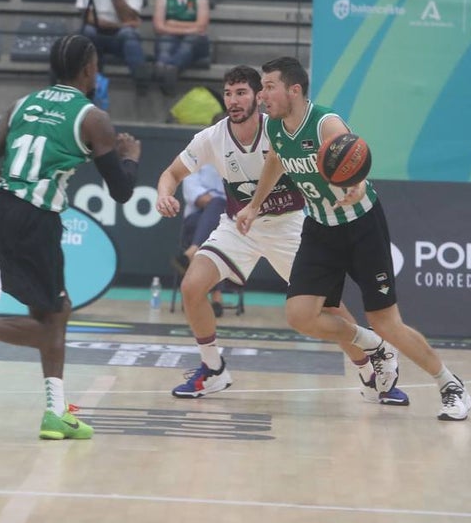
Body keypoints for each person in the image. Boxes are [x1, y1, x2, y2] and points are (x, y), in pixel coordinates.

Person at [233, 57, 471, 421]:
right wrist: (253, 206)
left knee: (388, 321)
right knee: (300, 315)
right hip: (319, 229)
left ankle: (450, 384)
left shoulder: (325, 121)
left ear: (294, 90)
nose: (262, 95)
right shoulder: (277, 129)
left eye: (269, 86)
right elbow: (276, 161)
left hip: (361, 225)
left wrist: (357, 186)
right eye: (262, 87)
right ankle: (373, 347)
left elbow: (353, 158)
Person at [155, 66, 408, 405]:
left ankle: (371, 373)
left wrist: (354, 182)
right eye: (228, 93)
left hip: (289, 224)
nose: (233, 100)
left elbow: (335, 151)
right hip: (239, 226)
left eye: (241, 92)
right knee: (191, 286)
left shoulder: (276, 128)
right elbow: (171, 173)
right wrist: (164, 194)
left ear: (259, 96)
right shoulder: (211, 137)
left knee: (330, 310)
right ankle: (213, 369)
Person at [0, 34, 142, 441]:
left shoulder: (22, 104)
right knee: (53, 320)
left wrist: (16, 193)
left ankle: (55, 412)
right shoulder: (92, 118)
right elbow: (120, 191)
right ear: (88, 69)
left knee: (53, 313)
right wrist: (130, 158)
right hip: (35, 219)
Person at [76, 0, 149, 94]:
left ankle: (142, 84)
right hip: (96, 33)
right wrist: (119, 25)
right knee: (87, 32)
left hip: (119, 38)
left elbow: (129, 19)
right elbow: (87, 17)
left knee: (129, 35)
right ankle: (89, 87)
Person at [152, 0, 211, 97]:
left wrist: (172, 23)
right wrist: (189, 27)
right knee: (165, 41)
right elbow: (158, 26)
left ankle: (172, 67)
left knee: (189, 41)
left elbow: (201, 26)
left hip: (195, 43)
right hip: (171, 38)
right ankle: (163, 66)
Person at [175, 163, 228, 317]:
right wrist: (217, 204)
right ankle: (216, 298)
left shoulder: (233, 160)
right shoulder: (195, 160)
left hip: (226, 220)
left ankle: (193, 252)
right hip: (196, 218)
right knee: (217, 234)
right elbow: (196, 197)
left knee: (221, 231)